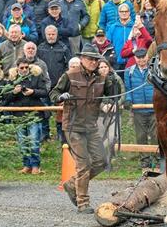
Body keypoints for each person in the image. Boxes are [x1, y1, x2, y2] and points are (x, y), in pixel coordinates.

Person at [50, 44, 118, 213]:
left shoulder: (102, 78)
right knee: (84, 164)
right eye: (90, 59)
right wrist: (61, 96)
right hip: (73, 125)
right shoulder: (70, 75)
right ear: (82, 59)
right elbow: (53, 93)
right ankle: (83, 203)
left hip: (91, 126)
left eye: (96, 59)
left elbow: (114, 93)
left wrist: (111, 76)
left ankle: (72, 184)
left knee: (102, 161)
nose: (93, 62)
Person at [8, 57, 48, 174]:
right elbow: (5, 99)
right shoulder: (12, 79)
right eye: (22, 67)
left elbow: (45, 92)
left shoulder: (37, 76)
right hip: (18, 115)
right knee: (22, 142)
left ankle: (35, 165)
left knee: (34, 140)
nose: (24, 69)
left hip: (34, 114)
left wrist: (33, 92)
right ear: (17, 68)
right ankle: (26, 165)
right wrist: (14, 92)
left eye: (26, 67)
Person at [123, 47, 155, 168]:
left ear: (147, 56)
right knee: (141, 136)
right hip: (138, 109)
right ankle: (144, 160)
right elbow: (128, 89)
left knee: (155, 136)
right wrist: (128, 100)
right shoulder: (129, 72)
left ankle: (156, 159)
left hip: (153, 109)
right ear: (135, 58)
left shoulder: (154, 69)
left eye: (143, 57)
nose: (141, 60)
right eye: (139, 57)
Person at [105, 3, 134, 76]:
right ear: (118, 13)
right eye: (122, 11)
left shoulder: (135, 27)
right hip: (117, 62)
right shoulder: (113, 27)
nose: (124, 13)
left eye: (126, 11)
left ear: (129, 12)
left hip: (132, 61)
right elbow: (108, 43)